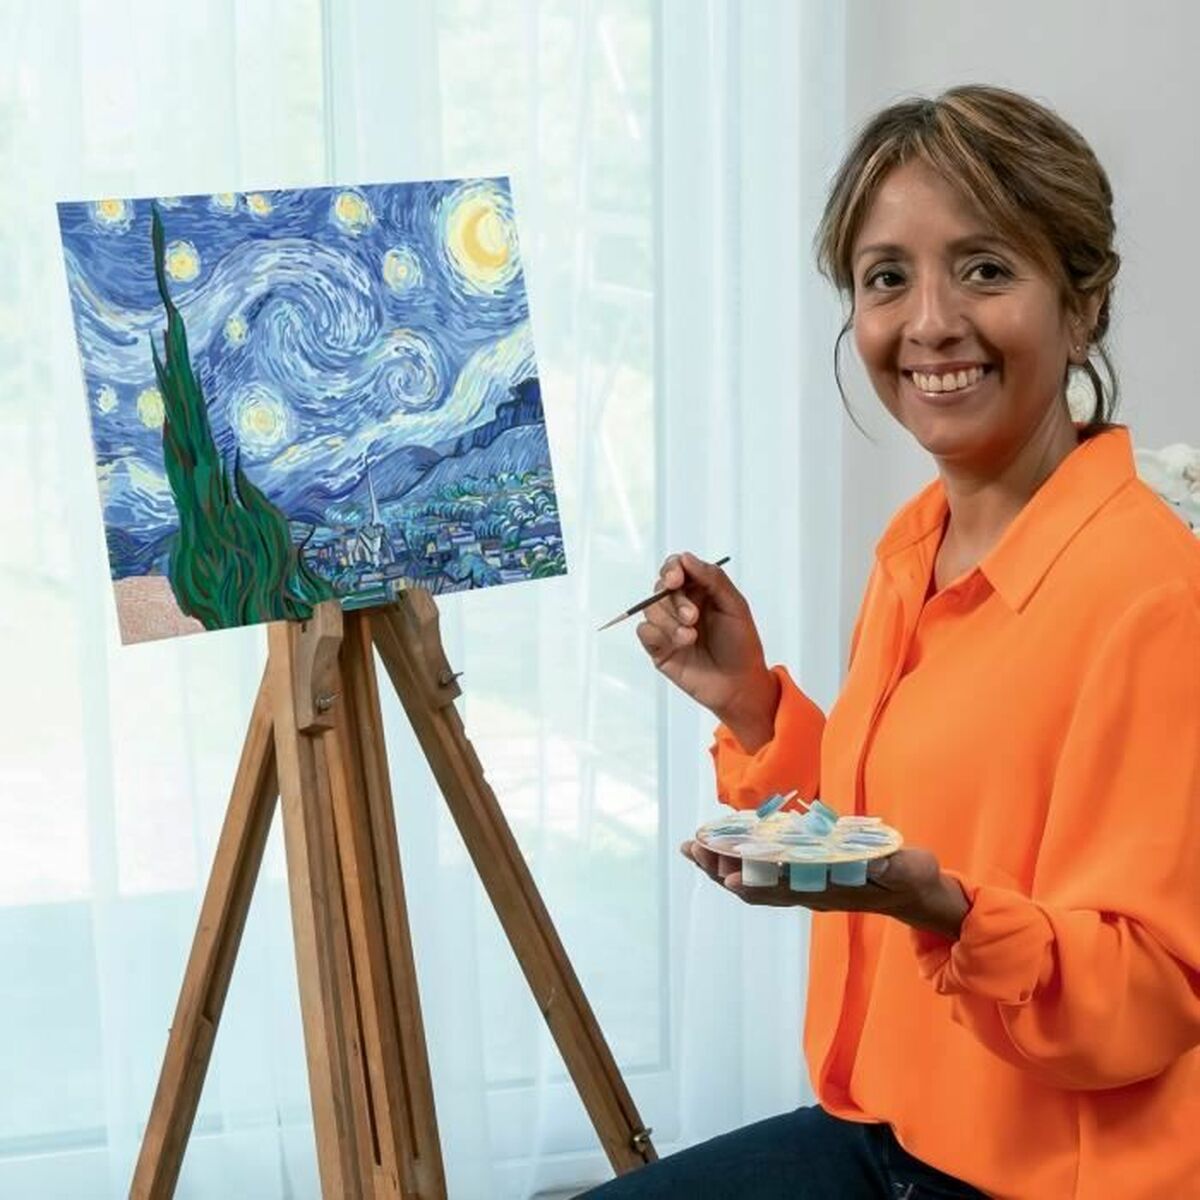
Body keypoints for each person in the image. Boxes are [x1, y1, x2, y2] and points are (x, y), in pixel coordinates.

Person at [582, 85, 1200, 1199]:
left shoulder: (1158, 598)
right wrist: (752, 707)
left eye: (985, 269)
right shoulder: (917, 546)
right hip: (890, 1133)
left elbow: (1152, 991)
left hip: (1047, 1178)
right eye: (886, 278)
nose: (930, 323)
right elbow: (910, 821)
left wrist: (949, 916)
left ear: (1084, 305)